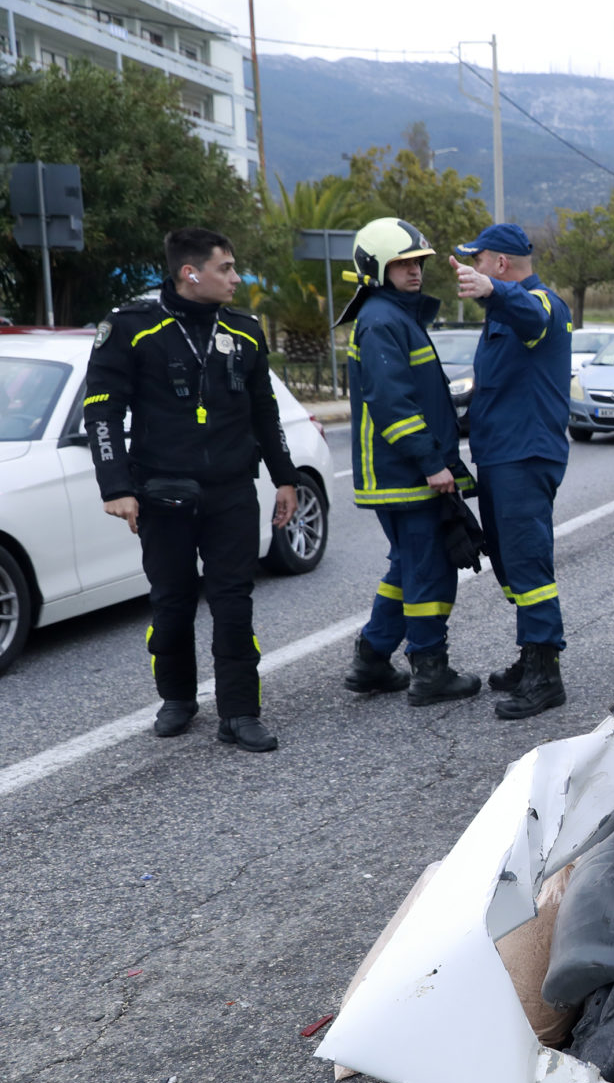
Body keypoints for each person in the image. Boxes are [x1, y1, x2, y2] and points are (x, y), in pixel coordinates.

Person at [82, 227, 298, 752]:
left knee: (233, 602)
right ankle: (177, 697)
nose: (236, 278)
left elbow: (265, 412)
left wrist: (285, 477)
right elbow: (102, 411)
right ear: (190, 273)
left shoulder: (245, 331)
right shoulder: (132, 327)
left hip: (231, 490)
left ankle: (239, 712)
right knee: (173, 603)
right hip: (162, 491)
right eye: (226, 268)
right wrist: (116, 486)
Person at [337, 217, 482, 704]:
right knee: (429, 570)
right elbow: (392, 404)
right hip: (406, 474)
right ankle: (429, 670)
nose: (415, 271)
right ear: (377, 269)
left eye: (418, 262)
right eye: (403, 264)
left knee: (408, 567)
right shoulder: (382, 320)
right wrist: (431, 463)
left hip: (405, 472)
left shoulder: (392, 315)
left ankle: (372, 659)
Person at [450, 224, 575, 719]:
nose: (472, 268)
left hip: (524, 456)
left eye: (477, 260)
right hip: (501, 454)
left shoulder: (540, 304)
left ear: (500, 264)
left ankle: (546, 673)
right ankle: (531, 655)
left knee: (528, 562)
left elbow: (530, 314)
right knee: (509, 560)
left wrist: (492, 291)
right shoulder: (504, 311)